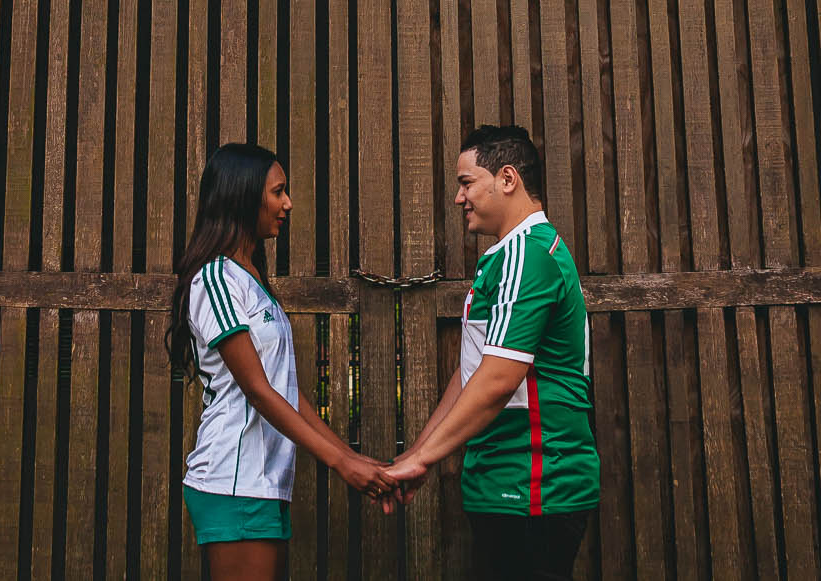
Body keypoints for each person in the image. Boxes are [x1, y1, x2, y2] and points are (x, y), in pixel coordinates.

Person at [170, 141, 395, 578]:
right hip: (232, 481)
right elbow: (257, 390)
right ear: (243, 195)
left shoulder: (252, 278)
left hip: (261, 481)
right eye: (278, 191)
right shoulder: (215, 278)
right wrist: (340, 464)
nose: (287, 203)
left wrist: (350, 454)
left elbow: (283, 391)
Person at [384, 125, 599, 581]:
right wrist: (420, 454)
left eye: (466, 183)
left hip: (534, 487)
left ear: (507, 179)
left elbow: (499, 379)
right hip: (502, 485)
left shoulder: (530, 253)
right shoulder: (506, 257)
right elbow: (472, 374)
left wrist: (423, 458)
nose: (459, 198)